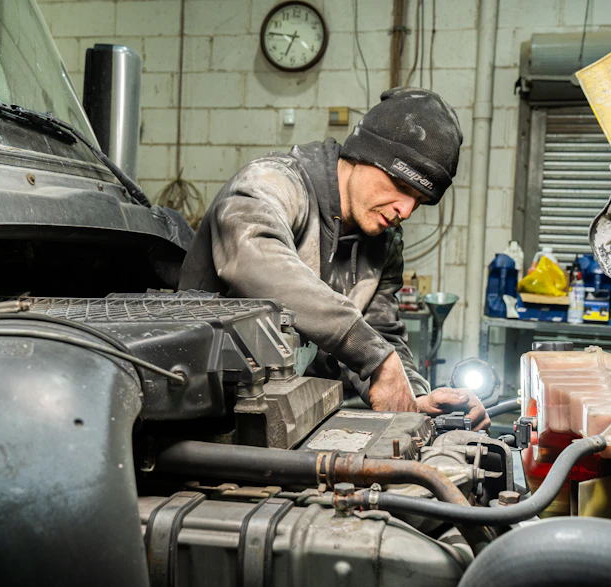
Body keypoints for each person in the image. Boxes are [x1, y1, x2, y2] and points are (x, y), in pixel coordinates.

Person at [178, 87, 488, 430]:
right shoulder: (273, 182)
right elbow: (253, 259)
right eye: (402, 186)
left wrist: (414, 398)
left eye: (420, 201)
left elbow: (381, 334)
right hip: (201, 412)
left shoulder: (384, 244)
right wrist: (371, 352)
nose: (406, 210)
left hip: (294, 419)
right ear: (363, 155)